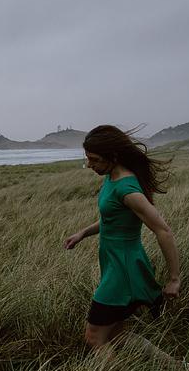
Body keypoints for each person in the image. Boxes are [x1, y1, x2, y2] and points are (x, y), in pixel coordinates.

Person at [64, 125, 181, 356]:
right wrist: (82, 233)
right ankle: (179, 369)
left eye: (94, 160)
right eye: (87, 159)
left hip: (122, 272)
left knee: (94, 336)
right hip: (115, 266)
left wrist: (174, 279)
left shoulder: (127, 189)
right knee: (117, 335)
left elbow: (163, 231)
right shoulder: (111, 177)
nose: (90, 165)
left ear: (113, 156)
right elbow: (113, 219)